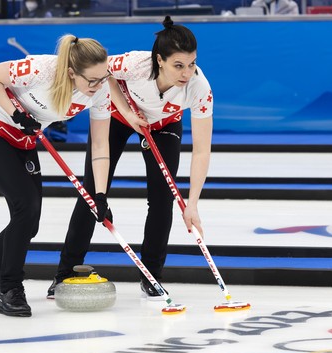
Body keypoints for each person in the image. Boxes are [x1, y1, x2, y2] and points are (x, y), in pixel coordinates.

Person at [47, 16, 214, 300]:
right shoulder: (136, 64)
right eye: (178, 65)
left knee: (163, 199)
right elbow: (104, 74)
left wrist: (193, 204)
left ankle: (152, 276)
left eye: (192, 64)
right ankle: (65, 273)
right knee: (92, 193)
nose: (187, 73)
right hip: (116, 116)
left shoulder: (199, 89)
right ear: (159, 60)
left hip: (163, 126)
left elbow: (201, 150)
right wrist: (126, 112)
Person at [0, 34, 112, 317]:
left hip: (23, 142)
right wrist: (15, 114)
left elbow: (100, 144)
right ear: (71, 72)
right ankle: (9, 288)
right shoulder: (41, 69)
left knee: (29, 223)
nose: (99, 86)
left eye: (103, 77)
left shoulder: (101, 92)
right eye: (92, 80)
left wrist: (101, 194)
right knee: (26, 206)